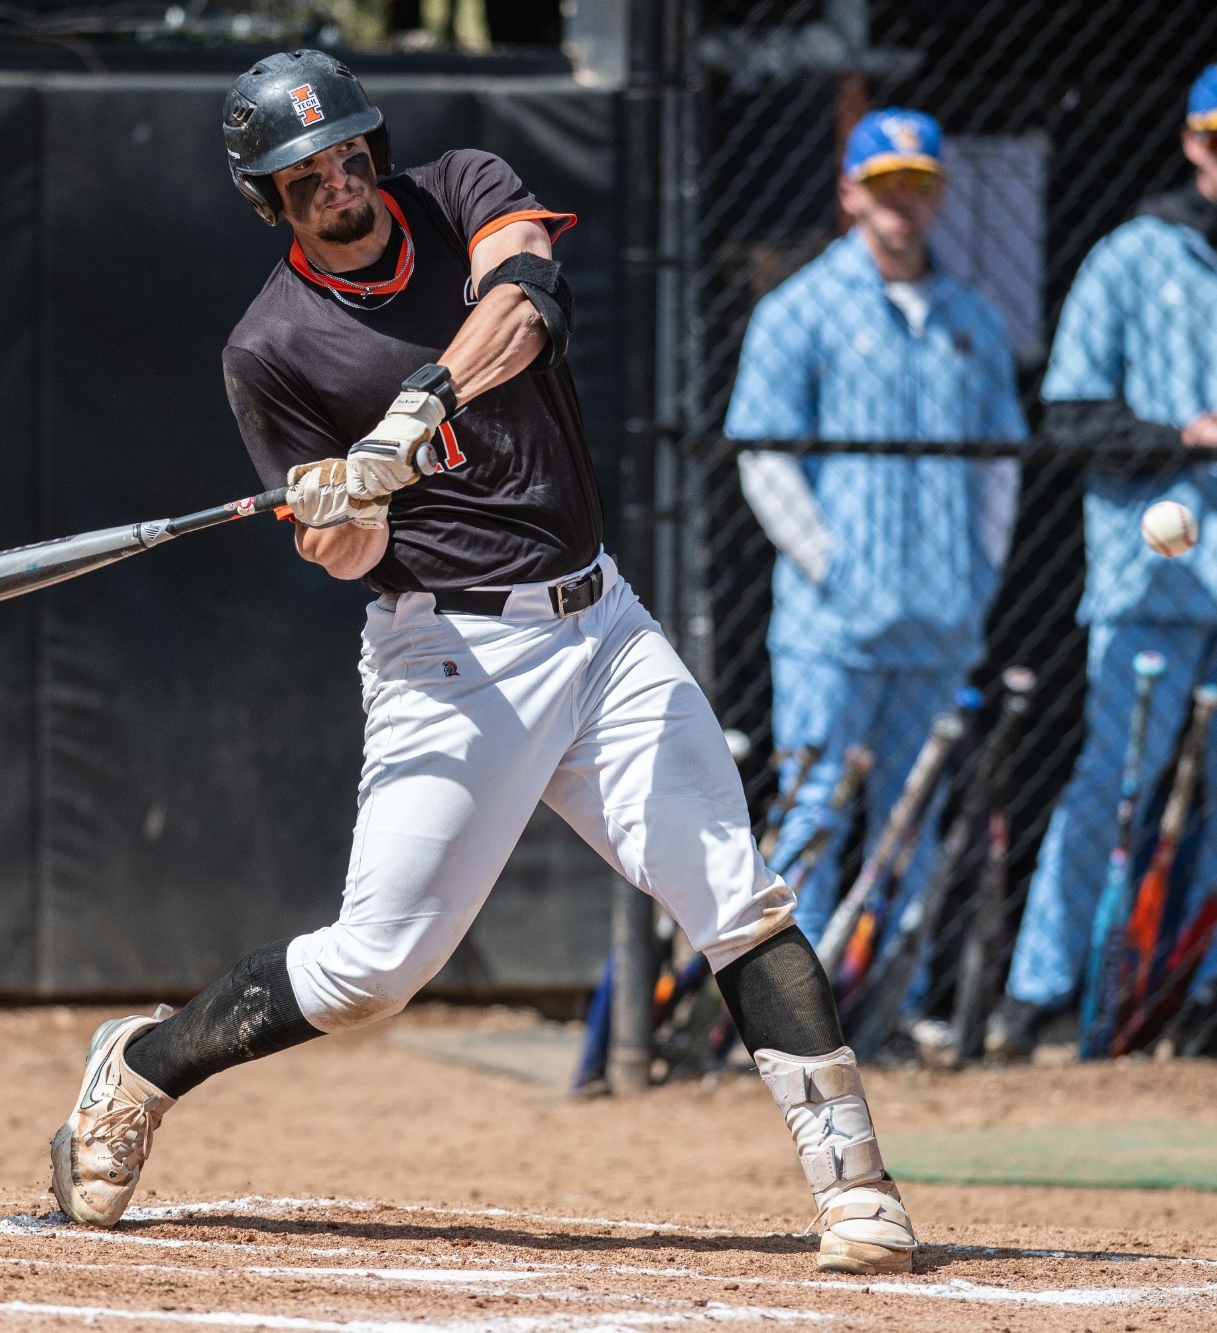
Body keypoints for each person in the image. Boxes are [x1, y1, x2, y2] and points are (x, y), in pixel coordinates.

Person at [45, 51, 917, 1276]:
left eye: (348, 152)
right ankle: (142, 1063)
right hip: (449, 656)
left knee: (733, 892)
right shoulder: (270, 349)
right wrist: (340, 505)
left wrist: (412, 412)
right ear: (269, 199)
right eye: (305, 174)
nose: (338, 181)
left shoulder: (459, 186)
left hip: (600, 623)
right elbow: (346, 560)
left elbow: (521, 302)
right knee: (373, 971)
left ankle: (854, 1186)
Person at [724, 108, 1026, 952]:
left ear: (939, 196)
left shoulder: (974, 316)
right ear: (849, 191)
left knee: (912, 823)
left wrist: (979, 573)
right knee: (812, 819)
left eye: (919, 185)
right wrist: (831, 564)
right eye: (886, 185)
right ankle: (801, 1015)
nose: (903, 202)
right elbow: (762, 457)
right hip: (833, 626)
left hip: (940, 619)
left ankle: (893, 1006)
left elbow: (999, 460)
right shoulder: (799, 309)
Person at [990, 66, 1217, 1059]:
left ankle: (1194, 993)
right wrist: (1184, 432)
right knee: (1114, 789)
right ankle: (1041, 993)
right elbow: (1070, 413)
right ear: (1190, 142)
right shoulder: (1130, 258)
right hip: (1150, 582)